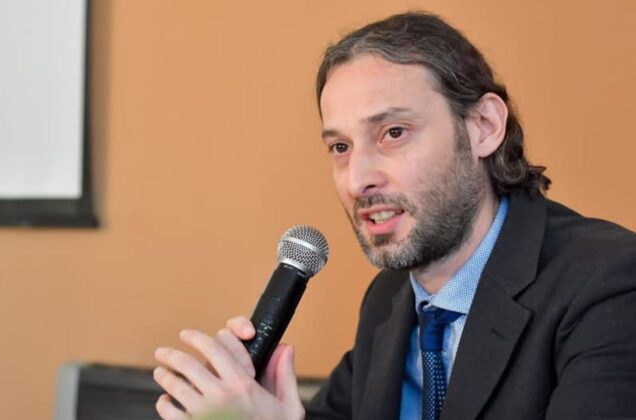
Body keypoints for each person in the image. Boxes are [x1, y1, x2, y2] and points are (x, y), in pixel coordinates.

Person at [152, 12, 636, 420]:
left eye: (393, 133)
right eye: (340, 147)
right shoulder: (388, 300)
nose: (357, 179)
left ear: (484, 127)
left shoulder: (609, 284)